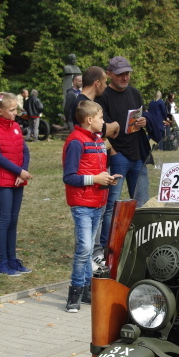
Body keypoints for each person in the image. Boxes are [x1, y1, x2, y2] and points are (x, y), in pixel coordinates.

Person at [62, 101, 120, 312]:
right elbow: (69, 176)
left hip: (98, 202)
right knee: (84, 248)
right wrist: (95, 179)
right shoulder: (76, 142)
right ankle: (75, 291)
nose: (103, 122)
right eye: (101, 118)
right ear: (89, 120)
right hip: (82, 204)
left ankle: (87, 289)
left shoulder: (97, 141)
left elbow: (96, 171)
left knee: (88, 250)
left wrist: (107, 178)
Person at [96, 56, 150, 250]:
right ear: (109, 74)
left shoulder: (135, 93)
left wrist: (144, 121)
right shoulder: (103, 97)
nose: (125, 77)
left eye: (127, 73)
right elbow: (101, 128)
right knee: (112, 205)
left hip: (138, 156)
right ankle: (106, 246)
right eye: (120, 74)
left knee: (143, 202)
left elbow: (139, 120)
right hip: (119, 156)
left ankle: (141, 244)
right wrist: (114, 152)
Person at [0, 92, 32, 275]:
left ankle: (12, 259)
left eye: (16, 109)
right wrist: (18, 171)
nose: (15, 113)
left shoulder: (16, 127)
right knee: (4, 219)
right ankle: (2, 262)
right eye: (11, 110)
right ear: (0, 111)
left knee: (13, 219)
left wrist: (23, 171)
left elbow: (24, 151)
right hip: (3, 179)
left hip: (18, 178)